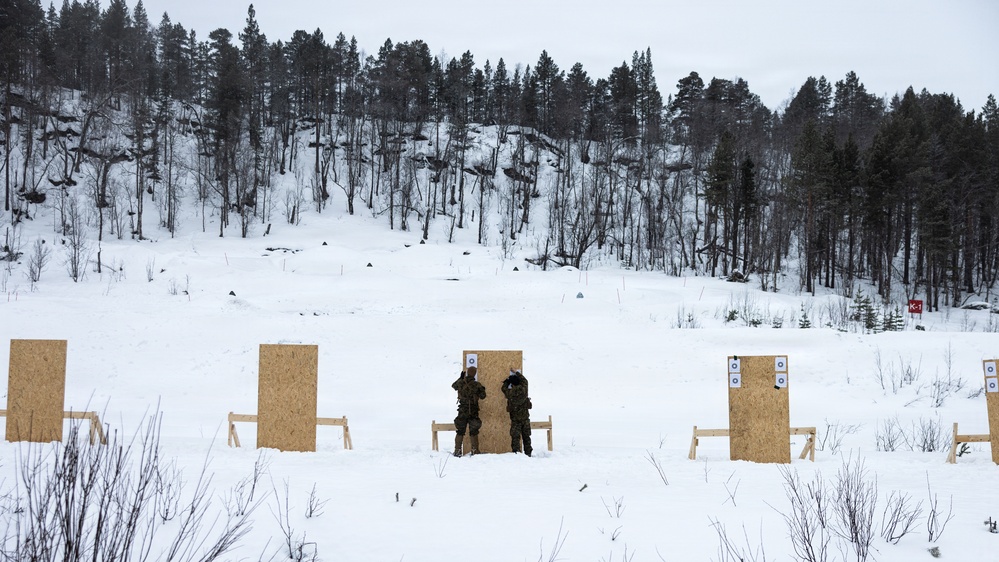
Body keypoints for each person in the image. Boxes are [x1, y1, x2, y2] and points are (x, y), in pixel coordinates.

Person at [451, 366, 486, 456]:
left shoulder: (461, 383)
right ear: (474, 374)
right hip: (473, 411)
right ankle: (475, 451)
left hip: (462, 410)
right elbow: (483, 396)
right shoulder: (477, 384)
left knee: (460, 431)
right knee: (473, 431)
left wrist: (460, 378)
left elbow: (454, 386)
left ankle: (457, 451)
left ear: (466, 373)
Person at [502, 369, 532, 456]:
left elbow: (503, 388)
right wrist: (517, 372)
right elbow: (525, 380)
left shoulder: (510, 393)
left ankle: (517, 454)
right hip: (525, 419)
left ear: (512, 384)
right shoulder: (524, 389)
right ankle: (528, 453)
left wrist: (507, 382)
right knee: (526, 438)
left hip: (515, 420)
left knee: (515, 438)